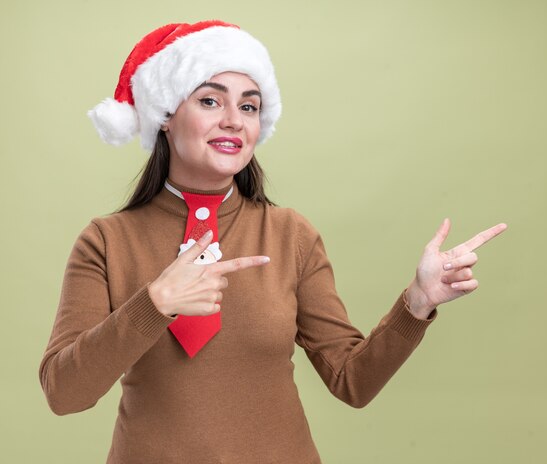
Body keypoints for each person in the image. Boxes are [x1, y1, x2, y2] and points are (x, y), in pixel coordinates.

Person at [39, 20, 507, 463]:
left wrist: (417, 303)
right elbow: (64, 393)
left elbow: (353, 381)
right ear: (164, 114)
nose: (233, 121)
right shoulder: (105, 240)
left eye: (248, 106)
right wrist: (154, 303)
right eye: (209, 101)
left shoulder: (291, 235)